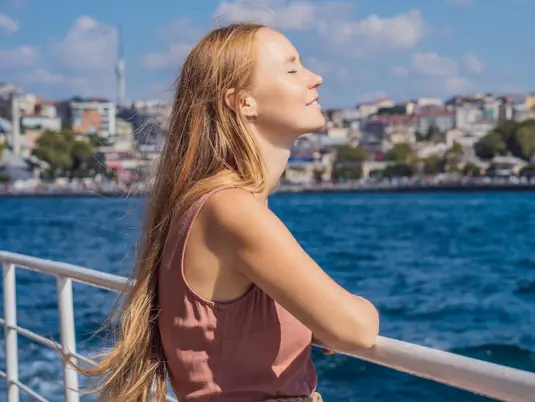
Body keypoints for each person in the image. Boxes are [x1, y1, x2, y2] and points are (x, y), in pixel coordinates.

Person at [77, 22, 380, 401]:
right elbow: (356, 330)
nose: (315, 78)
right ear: (243, 102)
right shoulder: (232, 209)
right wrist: (362, 309)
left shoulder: (212, 202)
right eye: (292, 70)